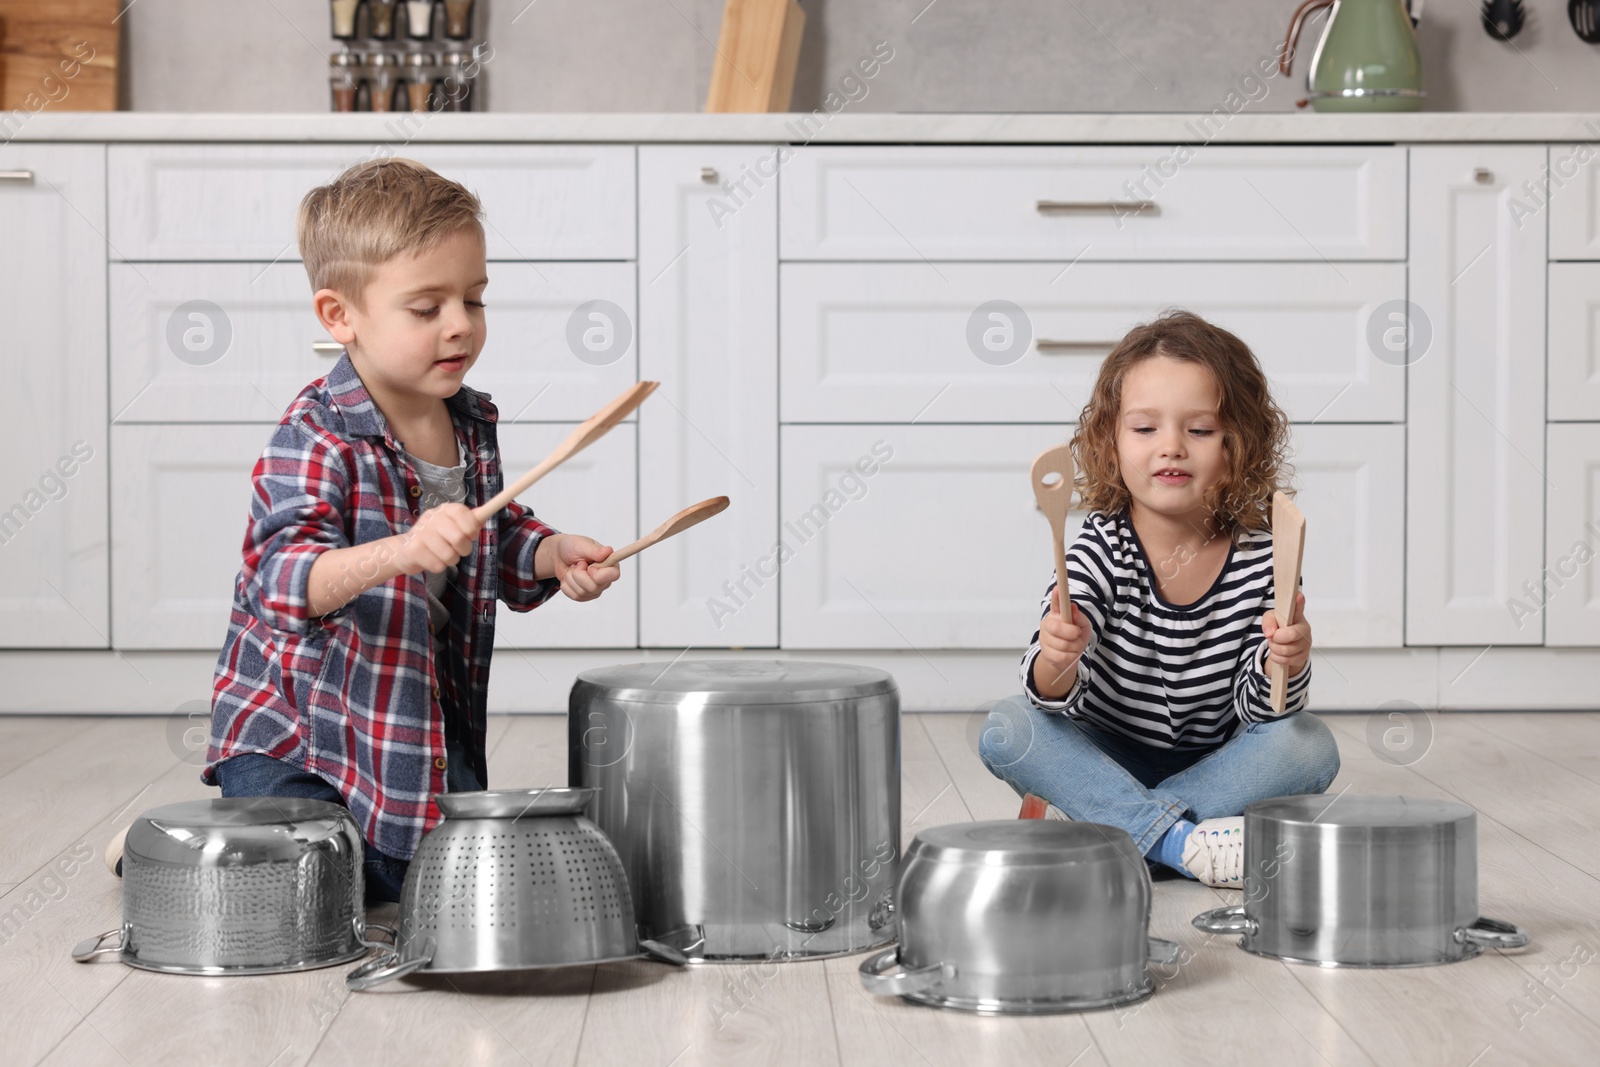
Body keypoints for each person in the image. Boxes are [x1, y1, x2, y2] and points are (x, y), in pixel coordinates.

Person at [108, 157, 622, 901]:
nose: (460, 325)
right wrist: (402, 551)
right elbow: (283, 580)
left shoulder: (470, 422)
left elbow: (493, 535)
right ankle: (169, 846)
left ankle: (351, 847)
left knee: (450, 875)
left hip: (410, 719)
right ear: (339, 315)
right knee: (309, 884)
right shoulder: (316, 434)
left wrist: (549, 554)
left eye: (473, 299)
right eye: (426, 307)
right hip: (299, 737)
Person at [978, 309, 1339, 888]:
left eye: (1198, 431)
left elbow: (1264, 711)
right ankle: (1181, 842)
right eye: (1145, 429)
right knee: (1008, 726)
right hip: (1105, 758)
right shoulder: (1100, 546)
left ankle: (1114, 831)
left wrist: (1283, 663)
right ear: (1111, 441)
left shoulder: (1266, 559)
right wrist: (1056, 660)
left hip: (1214, 766)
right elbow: (1049, 700)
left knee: (1308, 746)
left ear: (1235, 446)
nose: (1171, 447)